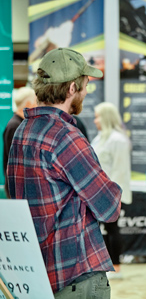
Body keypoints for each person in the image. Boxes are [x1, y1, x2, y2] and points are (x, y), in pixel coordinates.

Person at [7, 48, 122, 298]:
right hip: (75, 274)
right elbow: (110, 207)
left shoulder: (22, 132)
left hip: (37, 272)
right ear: (71, 88)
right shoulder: (66, 137)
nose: (86, 90)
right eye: (85, 84)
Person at [91, 102, 132, 279]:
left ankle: (116, 267)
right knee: (103, 231)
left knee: (112, 230)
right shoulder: (100, 138)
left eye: (97, 117)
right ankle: (105, 265)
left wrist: (113, 197)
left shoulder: (118, 140)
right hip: (97, 194)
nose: (95, 121)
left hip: (111, 195)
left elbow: (120, 171)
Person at [2, 87, 37, 198]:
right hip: (17, 189)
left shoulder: (20, 124)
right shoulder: (15, 126)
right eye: (36, 103)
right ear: (28, 103)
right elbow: (16, 161)